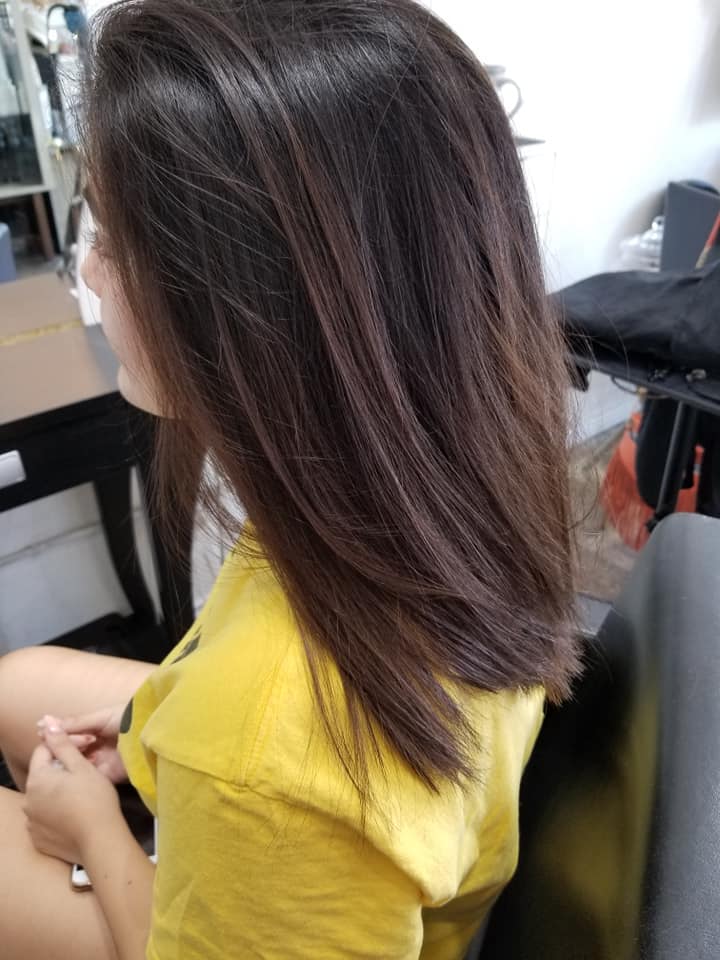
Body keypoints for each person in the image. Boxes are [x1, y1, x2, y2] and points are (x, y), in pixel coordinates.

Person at [0, 1, 581, 957]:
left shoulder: (265, 755)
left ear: (243, 299)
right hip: (346, 777)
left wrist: (98, 835)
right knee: (21, 681)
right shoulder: (435, 485)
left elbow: (258, 756)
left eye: (110, 238)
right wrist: (154, 721)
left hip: (282, 841)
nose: (90, 276)